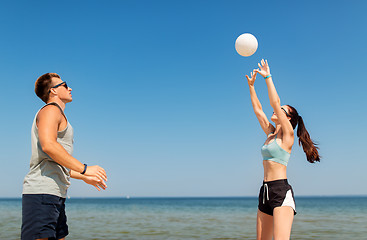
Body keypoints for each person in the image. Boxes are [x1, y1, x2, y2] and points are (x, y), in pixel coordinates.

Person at [22, 73, 108, 240]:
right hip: (41, 193)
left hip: (55, 195)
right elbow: (49, 146)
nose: (70, 88)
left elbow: (55, 163)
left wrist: (84, 176)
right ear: (53, 91)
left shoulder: (58, 114)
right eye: (64, 84)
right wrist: (84, 168)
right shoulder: (51, 110)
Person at [245, 60, 320, 240]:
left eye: (281, 110)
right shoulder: (271, 133)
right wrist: (251, 86)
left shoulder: (287, 136)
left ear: (287, 119)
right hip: (265, 192)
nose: (277, 110)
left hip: (281, 192)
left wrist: (268, 77)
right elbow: (258, 110)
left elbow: (274, 101)